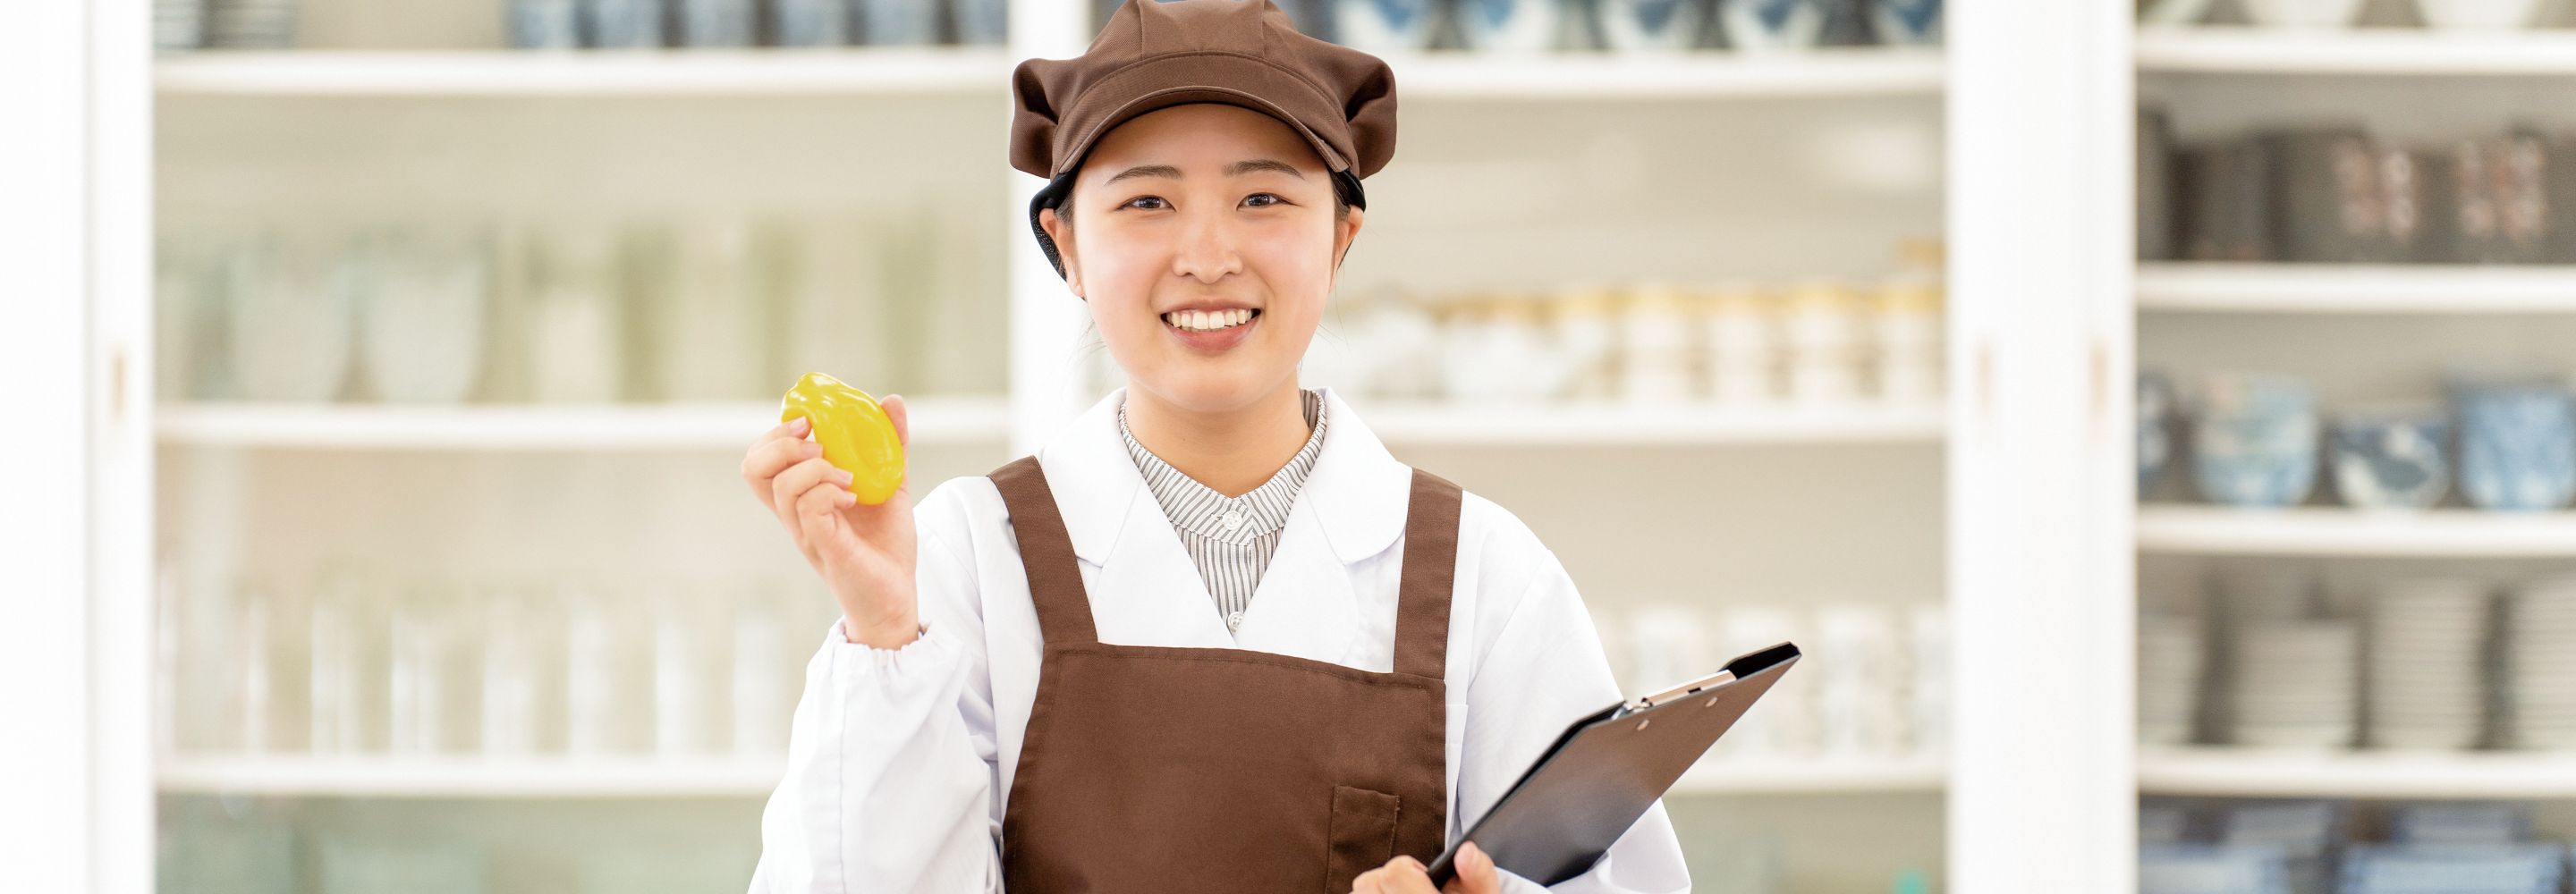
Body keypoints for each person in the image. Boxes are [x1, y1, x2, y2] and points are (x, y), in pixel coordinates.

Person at [741, 2, 1690, 890]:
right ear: (1064, 244)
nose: (1206, 255)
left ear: (1342, 235)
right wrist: (881, 636)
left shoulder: (1485, 576)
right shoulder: (961, 560)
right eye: (1146, 203)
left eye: (1264, 199)